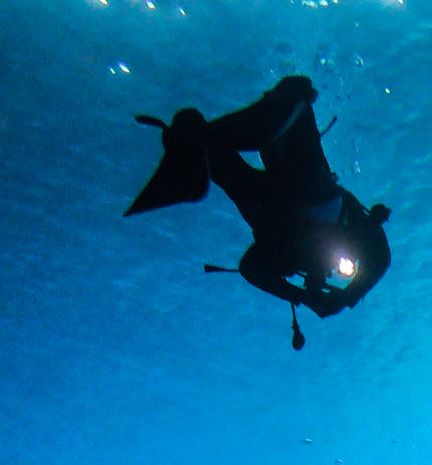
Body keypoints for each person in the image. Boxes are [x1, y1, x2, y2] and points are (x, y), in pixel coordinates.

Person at [125, 75, 391, 347]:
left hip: (276, 211)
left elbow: (250, 268)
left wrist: (307, 297)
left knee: (247, 166)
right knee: (297, 150)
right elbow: (381, 258)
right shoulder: (355, 237)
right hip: (311, 199)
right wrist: (343, 298)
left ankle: (200, 138)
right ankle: (273, 115)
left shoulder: (289, 255)